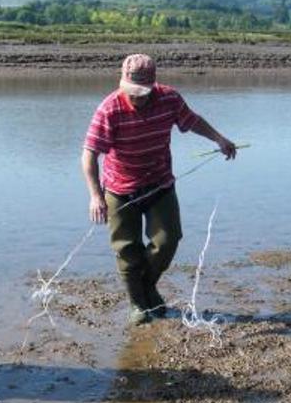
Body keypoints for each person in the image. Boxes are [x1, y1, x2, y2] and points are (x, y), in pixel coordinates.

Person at [82, 53, 237, 325]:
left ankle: (146, 285)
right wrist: (96, 196)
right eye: (132, 91)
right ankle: (138, 304)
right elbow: (89, 154)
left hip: (159, 184)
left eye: (142, 92)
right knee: (127, 249)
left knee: (168, 241)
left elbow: (192, 121)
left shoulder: (169, 99)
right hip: (120, 190)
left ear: (154, 85)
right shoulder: (109, 108)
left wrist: (220, 139)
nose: (137, 97)